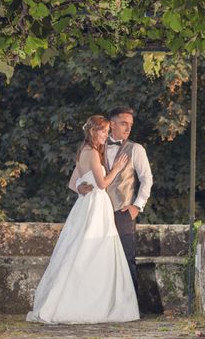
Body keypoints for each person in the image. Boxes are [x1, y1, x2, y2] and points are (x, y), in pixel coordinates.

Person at [26, 115, 139, 323]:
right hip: (95, 206)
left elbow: (72, 183)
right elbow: (103, 183)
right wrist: (116, 169)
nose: (106, 135)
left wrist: (79, 187)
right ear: (93, 131)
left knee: (85, 250)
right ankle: (86, 303)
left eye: (107, 131)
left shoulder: (83, 151)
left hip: (88, 205)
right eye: (103, 131)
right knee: (91, 250)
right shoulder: (92, 154)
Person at [68, 106, 153, 297]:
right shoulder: (96, 148)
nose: (128, 128)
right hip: (98, 213)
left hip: (122, 211)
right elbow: (76, 178)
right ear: (112, 124)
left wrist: (137, 206)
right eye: (124, 123)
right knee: (97, 258)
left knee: (125, 258)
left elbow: (147, 178)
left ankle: (129, 305)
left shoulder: (136, 149)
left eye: (130, 125)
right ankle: (102, 301)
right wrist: (79, 188)